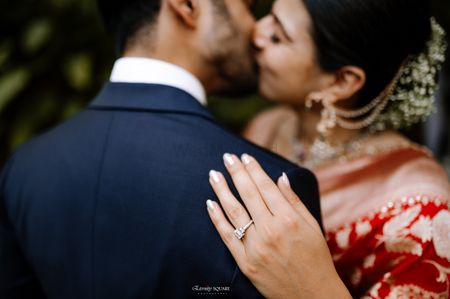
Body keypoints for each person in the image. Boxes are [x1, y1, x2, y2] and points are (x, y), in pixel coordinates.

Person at [0, 0, 322, 298]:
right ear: (186, 5)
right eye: (246, 5)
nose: (255, 29)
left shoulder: (24, 167)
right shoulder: (274, 189)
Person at [206, 0, 450, 298]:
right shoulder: (269, 125)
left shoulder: (422, 211)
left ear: (342, 81)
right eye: (268, 15)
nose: (256, 31)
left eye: (277, 36)